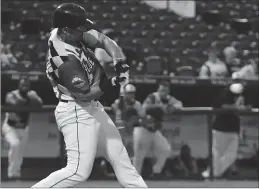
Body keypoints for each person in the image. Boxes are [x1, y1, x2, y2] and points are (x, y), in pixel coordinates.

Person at [32, 3, 147, 188]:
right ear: (67, 29)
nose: (84, 31)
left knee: (120, 158)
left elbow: (104, 40)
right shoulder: (64, 60)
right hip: (76, 110)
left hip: (92, 108)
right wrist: (114, 81)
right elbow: (84, 94)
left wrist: (119, 62)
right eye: (80, 29)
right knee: (77, 171)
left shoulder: (65, 33)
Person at [202, 82, 252, 178]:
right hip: (220, 128)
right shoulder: (224, 93)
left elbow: (248, 106)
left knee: (232, 155)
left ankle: (213, 173)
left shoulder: (244, 93)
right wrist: (238, 107)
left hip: (234, 129)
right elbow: (221, 105)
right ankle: (213, 173)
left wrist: (244, 108)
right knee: (217, 153)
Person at [139, 80, 183, 178]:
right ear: (158, 89)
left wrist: (173, 107)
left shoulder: (169, 99)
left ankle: (156, 172)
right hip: (143, 130)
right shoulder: (153, 97)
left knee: (166, 150)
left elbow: (179, 104)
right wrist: (159, 107)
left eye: (166, 90)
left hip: (154, 131)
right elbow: (144, 107)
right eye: (162, 90)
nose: (164, 92)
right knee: (139, 156)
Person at [1, 78, 43, 180]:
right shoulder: (12, 94)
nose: (24, 86)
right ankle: (11, 173)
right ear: (19, 85)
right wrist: (30, 98)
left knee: (20, 151)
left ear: (29, 86)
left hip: (24, 127)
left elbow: (40, 103)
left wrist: (34, 98)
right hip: (10, 127)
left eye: (26, 85)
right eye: (22, 84)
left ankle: (16, 173)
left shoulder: (32, 94)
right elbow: (15, 102)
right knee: (15, 144)